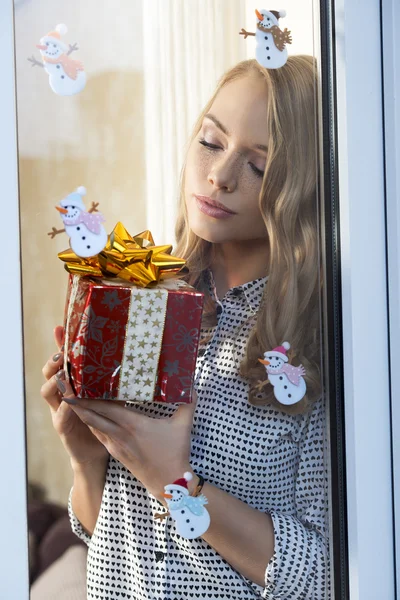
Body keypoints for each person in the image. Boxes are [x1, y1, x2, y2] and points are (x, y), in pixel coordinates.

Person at [41, 55, 329, 599]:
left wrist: (174, 482)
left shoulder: (314, 343)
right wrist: (88, 458)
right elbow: (105, 532)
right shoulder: (144, 300)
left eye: (259, 166)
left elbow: (323, 574)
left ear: (301, 186)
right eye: (211, 142)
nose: (220, 176)